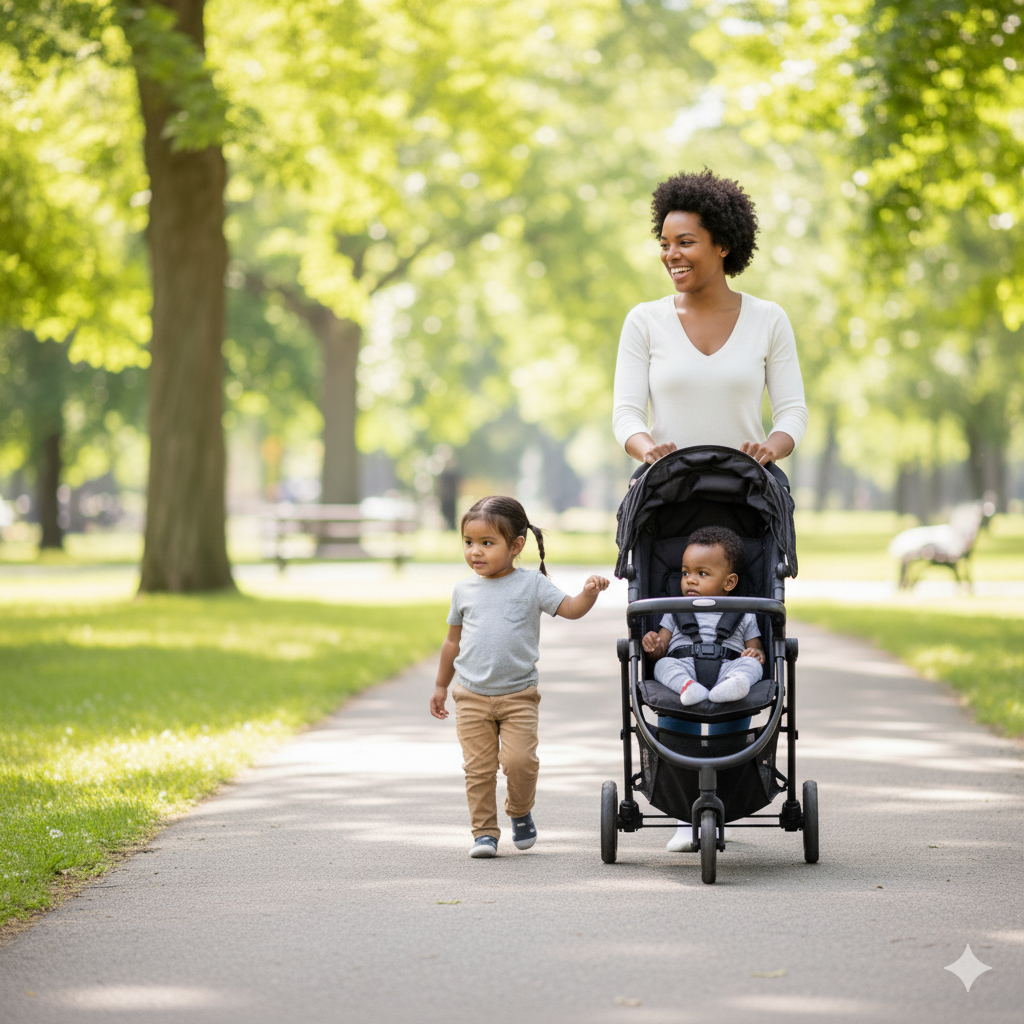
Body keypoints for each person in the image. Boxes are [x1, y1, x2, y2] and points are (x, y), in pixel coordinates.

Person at [612, 167, 807, 851]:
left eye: (686, 242)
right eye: (664, 243)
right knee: (669, 643)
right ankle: (679, 789)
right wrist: (645, 448)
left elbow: (792, 412)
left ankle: (730, 782)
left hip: (745, 498)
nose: (672, 255)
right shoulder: (644, 322)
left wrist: (772, 447)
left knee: (740, 641)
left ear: (721, 244)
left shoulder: (768, 320)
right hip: (667, 493)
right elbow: (625, 412)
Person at [430, 495, 609, 859]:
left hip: (518, 696)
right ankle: (484, 834)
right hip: (471, 695)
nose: (475, 552)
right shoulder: (464, 590)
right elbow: (452, 642)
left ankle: (520, 810)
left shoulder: (532, 585)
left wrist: (588, 593)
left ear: (516, 546)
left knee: (520, 763)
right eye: (468, 542)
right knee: (478, 769)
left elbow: (571, 609)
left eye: (486, 543)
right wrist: (440, 685)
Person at [641, 526, 764, 705]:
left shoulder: (743, 613)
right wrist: (653, 646)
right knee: (663, 665)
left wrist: (757, 654)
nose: (690, 580)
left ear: (729, 582)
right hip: (684, 667)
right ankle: (688, 687)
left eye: (702, 573)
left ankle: (733, 685)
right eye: (685, 573)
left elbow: (756, 650)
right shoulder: (674, 609)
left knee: (752, 666)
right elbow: (660, 652)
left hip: (728, 668)